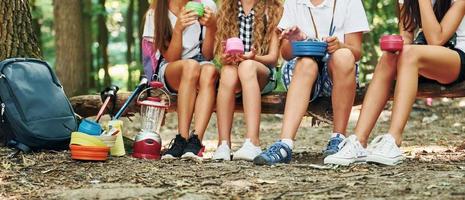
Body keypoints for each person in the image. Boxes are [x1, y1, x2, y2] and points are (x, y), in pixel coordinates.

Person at [325, 0, 465, 166]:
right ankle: (359, 141)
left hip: (456, 57)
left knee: (410, 53)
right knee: (388, 57)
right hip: (422, 55)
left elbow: (437, 39)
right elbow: (407, 35)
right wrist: (396, 48)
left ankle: (393, 139)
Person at [254, 0, 369, 165]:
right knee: (306, 62)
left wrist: (340, 45)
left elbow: (356, 52)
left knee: (344, 56)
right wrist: (295, 40)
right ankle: (284, 144)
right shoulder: (294, 3)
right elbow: (286, 54)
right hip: (302, 72)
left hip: (338, 73)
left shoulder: (350, 2)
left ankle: (338, 138)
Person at [142, 0, 218, 160]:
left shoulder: (207, 5)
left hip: (201, 62)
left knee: (210, 70)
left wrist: (211, 26)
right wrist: (178, 29)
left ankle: (195, 141)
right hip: (170, 68)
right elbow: (170, 58)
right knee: (190, 66)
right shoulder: (156, 12)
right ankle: (181, 138)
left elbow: (209, 55)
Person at [211, 0, 283, 161]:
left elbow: (272, 58)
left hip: (262, 73)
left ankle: (252, 142)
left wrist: (253, 57)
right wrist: (225, 58)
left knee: (247, 66)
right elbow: (218, 52)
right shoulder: (227, 9)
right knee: (228, 72)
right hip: (234, 71)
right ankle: (223, 144)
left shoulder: (272, 9)